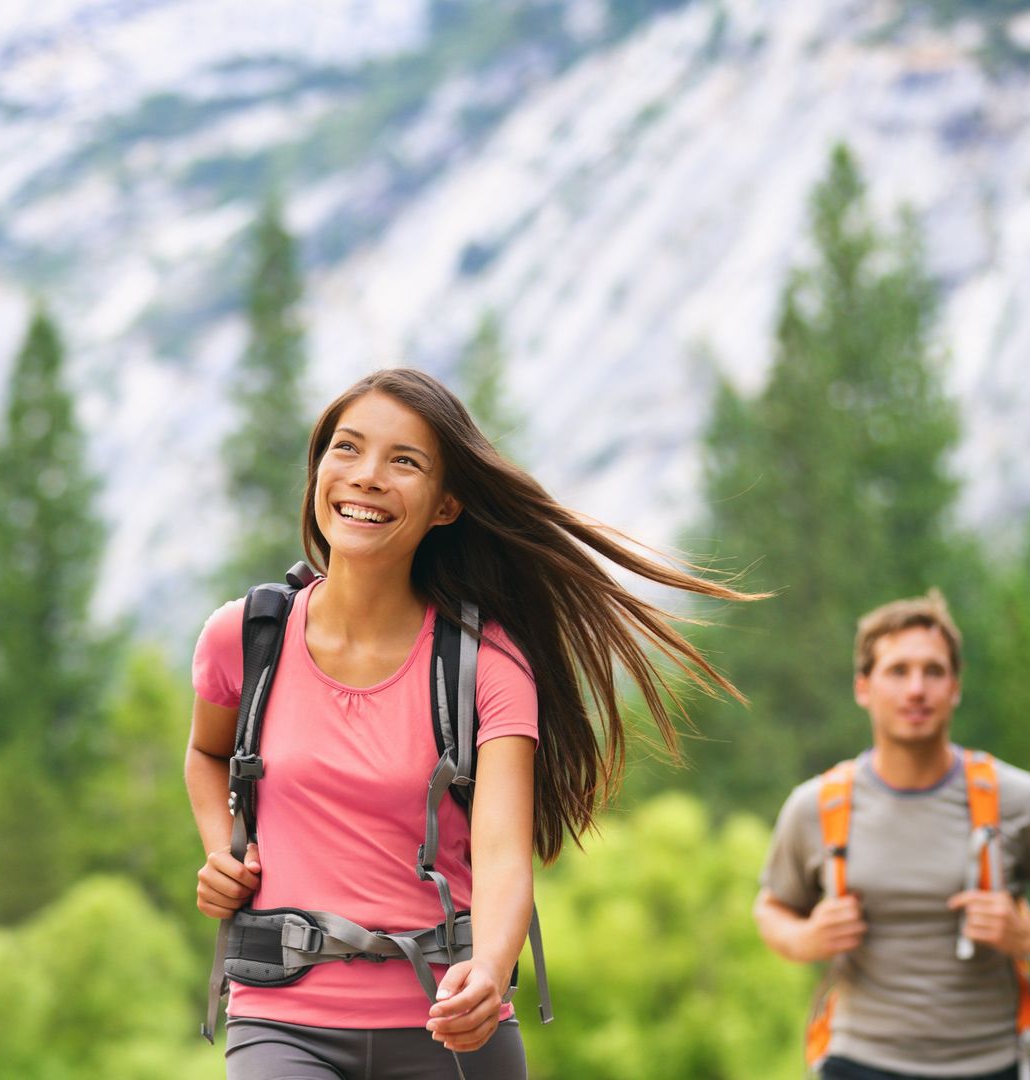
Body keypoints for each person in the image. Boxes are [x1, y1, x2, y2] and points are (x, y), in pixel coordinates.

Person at [187, 368, 754, 1079]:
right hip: (280, 1019)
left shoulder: (486, 664)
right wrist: (224, 853)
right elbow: (207, 754)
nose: (366, 476)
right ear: (318, 470)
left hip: (448, 1025)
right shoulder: (243, 637)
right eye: (347, 448)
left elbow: (504, 855)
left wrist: (489, 969)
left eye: (405, 461)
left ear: (446, 505)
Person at [755, 590, 1030, 1080]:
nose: (916, 689)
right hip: (858, 1062)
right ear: (863, 687)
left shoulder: (1022, 801)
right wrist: (808, 938)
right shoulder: (815, 807)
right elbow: (771, 908)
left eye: (934, 671)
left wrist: (1028, 933)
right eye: (898, 671)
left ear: (956, 687)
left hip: (993, 1063)